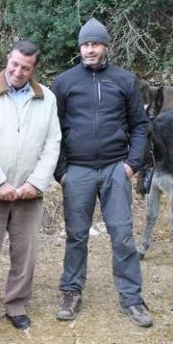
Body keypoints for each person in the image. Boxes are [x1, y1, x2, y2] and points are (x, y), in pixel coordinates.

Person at [52, 17, 153, 327]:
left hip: (115, 169)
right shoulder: (64, 82)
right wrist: (62, 172)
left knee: (122, 235)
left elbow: (140, 126)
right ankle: (71, 291)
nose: (90, 49)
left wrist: (132, 164)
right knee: (76, 236)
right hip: (78, 171)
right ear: (80, 48)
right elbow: (52, 130)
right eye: (85, 44)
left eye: (95, 44)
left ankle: (132, 299)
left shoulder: (124, 80)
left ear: (106, 46)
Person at [0, 40, 61, 336]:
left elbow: (52, 143)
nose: (18, 71)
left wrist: (35, 182)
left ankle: (17, 304)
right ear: (8, 59)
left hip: (29, 194)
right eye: (14, 64)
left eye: (26, 68)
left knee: (26, 254)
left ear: (34, 69)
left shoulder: (48, 98)